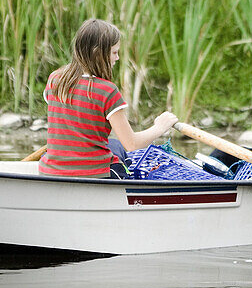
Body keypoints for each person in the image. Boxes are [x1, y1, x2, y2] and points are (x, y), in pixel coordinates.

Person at [39, 19, 178, 178]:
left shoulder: (55, 79)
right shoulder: (107, 91)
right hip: (94, 174)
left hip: (50, 171)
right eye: (114, 52)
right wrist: (159, 128)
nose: (117, 58)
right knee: (120, 148)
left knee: (114, 144)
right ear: (98, 53)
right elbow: (132, 144)